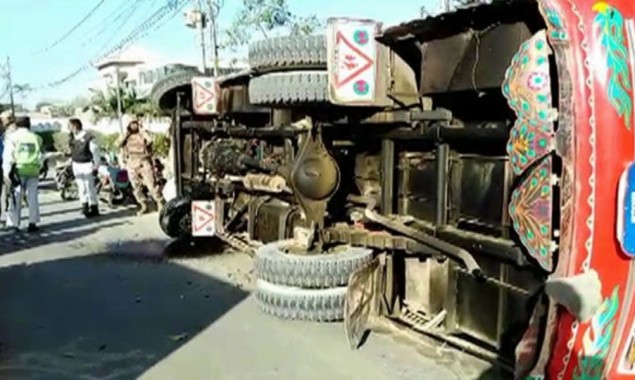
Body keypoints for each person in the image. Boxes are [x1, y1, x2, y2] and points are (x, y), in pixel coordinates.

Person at [2, 116, 42, 232]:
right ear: (29, 124)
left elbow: (8, 156)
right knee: (32, 197)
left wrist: (6, 173)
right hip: (33, 170)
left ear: (17, 125)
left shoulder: (12, 138)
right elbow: (40, 155)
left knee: (16, 197)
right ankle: (32, 222)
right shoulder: (37, 138)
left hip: (18, 170)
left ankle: (14, 224)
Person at [118, 119, 165, 215]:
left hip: (144, 162)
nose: (134, 126)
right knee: (136, 187)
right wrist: (126, 135)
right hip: (131, 163)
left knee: (151, 185)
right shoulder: (126, 136)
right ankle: (143, 205)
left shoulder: (143, 134)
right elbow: (118, 144)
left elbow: (150, 141)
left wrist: (142, 131)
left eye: (135, 123)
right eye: (132, 124)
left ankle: (159, 202)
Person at [68, 118, 101, 218]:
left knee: (89, 187)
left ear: (75, 126)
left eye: (70, 126)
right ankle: (84, 207)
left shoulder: (88, 137)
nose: (69, 128)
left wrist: (96, 165)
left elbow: (95, 151)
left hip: (87, 165)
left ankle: (94, 207)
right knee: (81, 187)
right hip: (76, 164)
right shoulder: (72, 137)